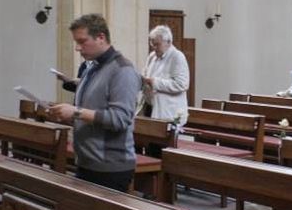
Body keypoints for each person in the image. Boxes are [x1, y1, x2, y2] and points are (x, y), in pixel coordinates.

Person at [47, 14, 140, 192]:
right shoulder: (92, 68)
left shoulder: (123, 70)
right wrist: (65, 115)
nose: (77, 48)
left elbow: (120, 119)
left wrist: (75, 112)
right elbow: (89, 110)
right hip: (87, 160)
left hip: (109, 166)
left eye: (82, 41)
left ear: (101, 37)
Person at [141, 25, 190, 157]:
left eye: (157, 44)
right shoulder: (152, 56)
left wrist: (155, 82)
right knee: (150, 147)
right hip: (151, 108)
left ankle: (162, 176)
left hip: (168, 112)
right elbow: (145, 73)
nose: (154, 47)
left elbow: (182, 84)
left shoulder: (177, 57)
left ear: (168, 42)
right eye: (152, 44)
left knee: (162, 151)